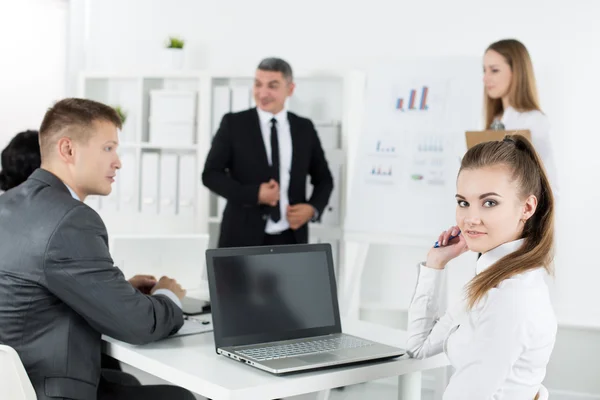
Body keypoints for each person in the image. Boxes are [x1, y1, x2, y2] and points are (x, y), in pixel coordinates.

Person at [0, 98, 196, 400]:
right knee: (178, 397)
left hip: (15, 384)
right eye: (108, 148)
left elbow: (35, 287)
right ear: (68, 149)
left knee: (127, 381)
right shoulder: (70, 219)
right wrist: (168, 296)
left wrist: (117, 290)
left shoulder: (9, 203)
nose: (117, 161)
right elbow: (138, 326)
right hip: (48, 389)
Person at [406, 135, 557, 399]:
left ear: (527, 207)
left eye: (489, 203)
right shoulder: (490, 279)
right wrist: (435, 264)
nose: (470, 219)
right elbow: (419, 347)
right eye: (463, 202)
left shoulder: (509, 296)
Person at [202, 57, 334, 247]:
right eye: (258, 84)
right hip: (241, 236)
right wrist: (255, 194)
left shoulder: (303, 128)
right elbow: (210, 175)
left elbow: (324, 179)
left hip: (291, 238)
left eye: (272, 86)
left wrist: (312, 209)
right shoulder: (233, 124)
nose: (263, 93)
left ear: (290, 89)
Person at [483, 39, 559, 197]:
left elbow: (550, 186)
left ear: (516, 72)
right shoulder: (493, 121)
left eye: (494, 70)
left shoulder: (535, 121)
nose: (485, 78)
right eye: (484, 70)